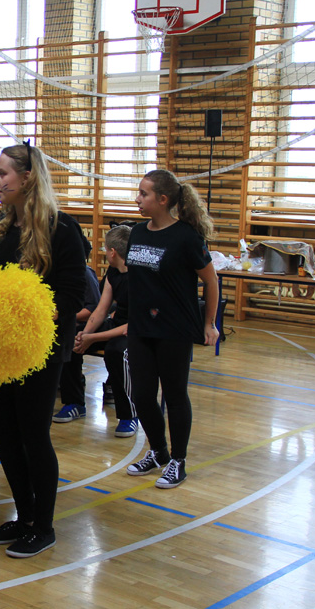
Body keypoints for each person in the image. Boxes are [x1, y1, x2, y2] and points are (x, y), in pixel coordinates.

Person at [0, 142, 85, 559]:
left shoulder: (62, 229)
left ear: (26, 178)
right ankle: (24, 516)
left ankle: (44, 526)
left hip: (39, 350)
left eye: (3, 173)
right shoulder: (3, 228)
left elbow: (72, 294)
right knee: (3, 433)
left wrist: (27, 317)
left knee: (33, 436)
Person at [124, 169, 220, 490]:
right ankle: (158, 451)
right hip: (141, 328)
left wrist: (209, 323)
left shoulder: (186, 237)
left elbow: (211, 281)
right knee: (141, 395)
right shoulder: (137, 232)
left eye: (144, 194)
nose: (137, 199)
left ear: (163, 199)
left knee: (175, 395)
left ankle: (178, 460)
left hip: (174, 328)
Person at [75, 224, 138, 438]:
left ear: (112, 252)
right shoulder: (113, 272)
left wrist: (92, 337)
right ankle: (74, 402)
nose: (103, 252)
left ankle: (129, 415)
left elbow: (131, 326)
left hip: (137, 331)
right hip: (116, 324)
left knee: (116, 352)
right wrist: (85, 334)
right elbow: (101, 309)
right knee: (72, 339)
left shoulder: (139, 276)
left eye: (105, 249)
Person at [53, 263, 101, 421]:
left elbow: (93, 309)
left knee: (69, 342)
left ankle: (75, 403)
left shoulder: (84, 273)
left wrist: (64, 315)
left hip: (87, 326)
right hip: (65, 324)